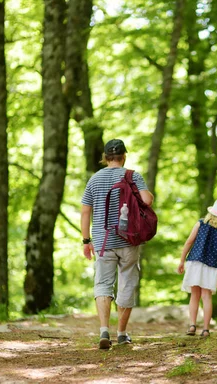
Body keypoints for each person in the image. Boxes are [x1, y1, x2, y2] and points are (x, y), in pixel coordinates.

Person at [81, 139, 154, 349]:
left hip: (103, 241)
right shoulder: (132, 175)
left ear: (105, 157)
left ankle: (104, 330)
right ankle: (122, 333)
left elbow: (86, 211)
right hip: (129, 239)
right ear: (124, 156)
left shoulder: (94, 180)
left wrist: (86, 241)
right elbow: (147, 201)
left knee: (103, 284)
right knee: (127, 283)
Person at [177, 200, 217, 337]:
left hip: (195, 261)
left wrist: (182, 260)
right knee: (206, 297)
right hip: (212, 265)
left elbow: (189, 241)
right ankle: (206, 329)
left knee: (194, 296)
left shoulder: (200, 223)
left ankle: (192, 325)